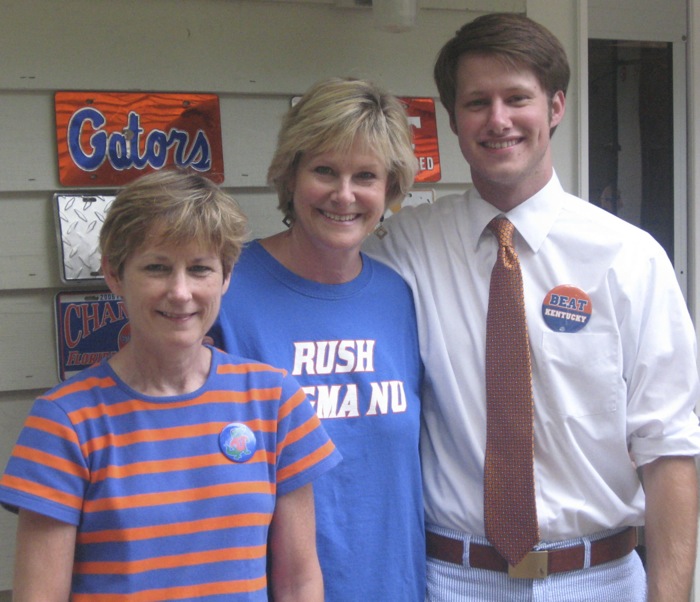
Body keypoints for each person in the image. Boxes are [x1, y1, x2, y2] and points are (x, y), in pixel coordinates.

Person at [363, 12, 700, 601]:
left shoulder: (629, 258)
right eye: (477, 103)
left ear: (556, 107)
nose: (498, 120)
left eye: (517, 98)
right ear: (453, 119)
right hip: (450, 579)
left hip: (599, 579)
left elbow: (669, 447)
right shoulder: (404, 249)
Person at [0, 169, 341, 601]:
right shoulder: (65, 422)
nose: (180, 292)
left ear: (226, 276)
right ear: (114, 274)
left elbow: (299, 582)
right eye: (157, 267)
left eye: (200, 269)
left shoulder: (274, 401)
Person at [209, 77, 425, 601]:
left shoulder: (398, 297)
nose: (344, 194)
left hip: (393, 586)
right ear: (291, 175)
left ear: (390, 189)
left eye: (366, 176)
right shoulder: (225, 292)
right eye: (325, 170)